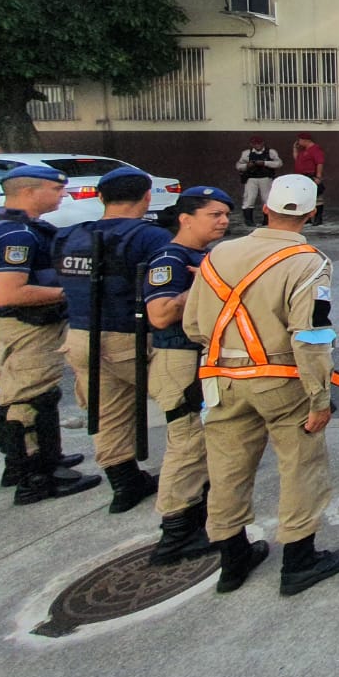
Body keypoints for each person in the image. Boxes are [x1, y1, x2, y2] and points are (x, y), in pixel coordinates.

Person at [183, 173, 339, 596]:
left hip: (221, 379)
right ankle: (299, 560)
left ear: (265, 208)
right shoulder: (308, 262)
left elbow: (192, 325)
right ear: (312, 213)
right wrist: (320, 398)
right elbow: (310, 336)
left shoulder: (218, 255)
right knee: (300, 465)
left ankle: (232, 561)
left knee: (226, 470)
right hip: (281, 381)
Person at [54, 166, 171, 513]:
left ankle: (124, 484)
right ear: (147, 197)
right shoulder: (150, 237)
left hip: (79, 335)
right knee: (183, 404)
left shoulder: (71, 235)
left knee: (107, 414)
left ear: (101, 197)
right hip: (130, 337)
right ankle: (191, 478)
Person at [0, 164, 98, 505]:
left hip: (11, 323)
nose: (63, 195)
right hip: (28, 325)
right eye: (55, 189)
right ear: (28, 192)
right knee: (31, 397)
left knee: (16, 391)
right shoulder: (17, 234)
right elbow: (7, 292)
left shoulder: (5, 225)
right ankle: (36, 478)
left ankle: (32, 463)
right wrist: (69, 291)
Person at [140, 186, 234, 563]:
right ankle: (175, 534)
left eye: (226, 214)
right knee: (187, 445)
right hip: (179, 359)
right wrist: (205, 283)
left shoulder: (204, 256)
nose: (224, 221)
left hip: (204, 360)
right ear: (185, 218)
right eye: (214, 214)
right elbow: (161, 313)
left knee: (205, 442)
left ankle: (198, 518)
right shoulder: (170, 258)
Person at [234, 136, 282, 227]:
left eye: (259, 143)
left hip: (266, 178)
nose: (257, 145)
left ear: (263, 143)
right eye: (255, 143)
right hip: (251, 178)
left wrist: (265, 163)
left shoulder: (271, 152)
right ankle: (248, 220)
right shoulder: (246, 153)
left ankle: (267, 219)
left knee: (267, 198)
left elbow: (279, 163)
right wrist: (247, 165)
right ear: (251, 144)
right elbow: (238, 165)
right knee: (249, 198)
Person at [292, 133, 326, 224]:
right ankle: (307, 218)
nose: (298, 142)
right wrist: (295, 149)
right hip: (302, 177)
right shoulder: (304, 150)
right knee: (305, 198)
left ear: (305, 140)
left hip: (311, 176)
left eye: (299, 140)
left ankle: (318, 219)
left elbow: (319, 163)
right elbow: (297, 159)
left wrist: (318, 176)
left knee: (317, 198)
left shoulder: (315, 149)